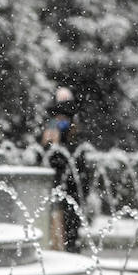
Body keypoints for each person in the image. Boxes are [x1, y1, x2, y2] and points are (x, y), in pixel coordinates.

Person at [39, 86, 90, 253]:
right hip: (53, 190)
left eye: (64, 118)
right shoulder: (48, 134)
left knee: (70, 232)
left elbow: (79, 167)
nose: (59, 122)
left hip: (71, 192)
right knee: (53, 233)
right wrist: (47, 145)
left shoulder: (76, 137)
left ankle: (72, 252)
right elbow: (42, 163)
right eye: (57, 117)